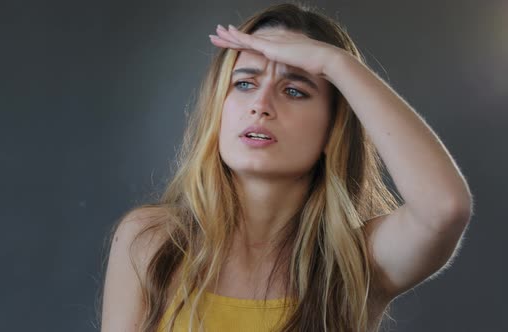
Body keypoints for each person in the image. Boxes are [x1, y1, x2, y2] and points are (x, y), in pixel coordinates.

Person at [100, 2, 473, 331]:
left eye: (294, 90)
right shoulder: (152, 240)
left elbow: (444, 208)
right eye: (245, 83)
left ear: (333, 129)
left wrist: (336, 63)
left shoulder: (358, 262)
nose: (260, 105)